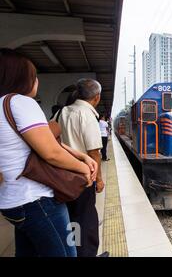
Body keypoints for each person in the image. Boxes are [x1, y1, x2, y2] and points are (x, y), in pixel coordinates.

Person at [0, 49, 97, 257]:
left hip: (10, 200)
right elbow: (50, 151)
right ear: (22, 78)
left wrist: (81, 156)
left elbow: (39, 141)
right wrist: (84, 168)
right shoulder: (21, 102)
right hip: (36, 199)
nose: (37, 82)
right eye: (34, 76)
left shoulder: (2, 104)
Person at [58, 78, 106, 257]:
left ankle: (75, 252)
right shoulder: (86, 115)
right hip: (83, 178)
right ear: (97, 97)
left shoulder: (62, 112)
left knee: (72, 218)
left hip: (62, 176)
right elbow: (94, 153)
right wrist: (99, 180)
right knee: (86, 220)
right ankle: (87, 254)